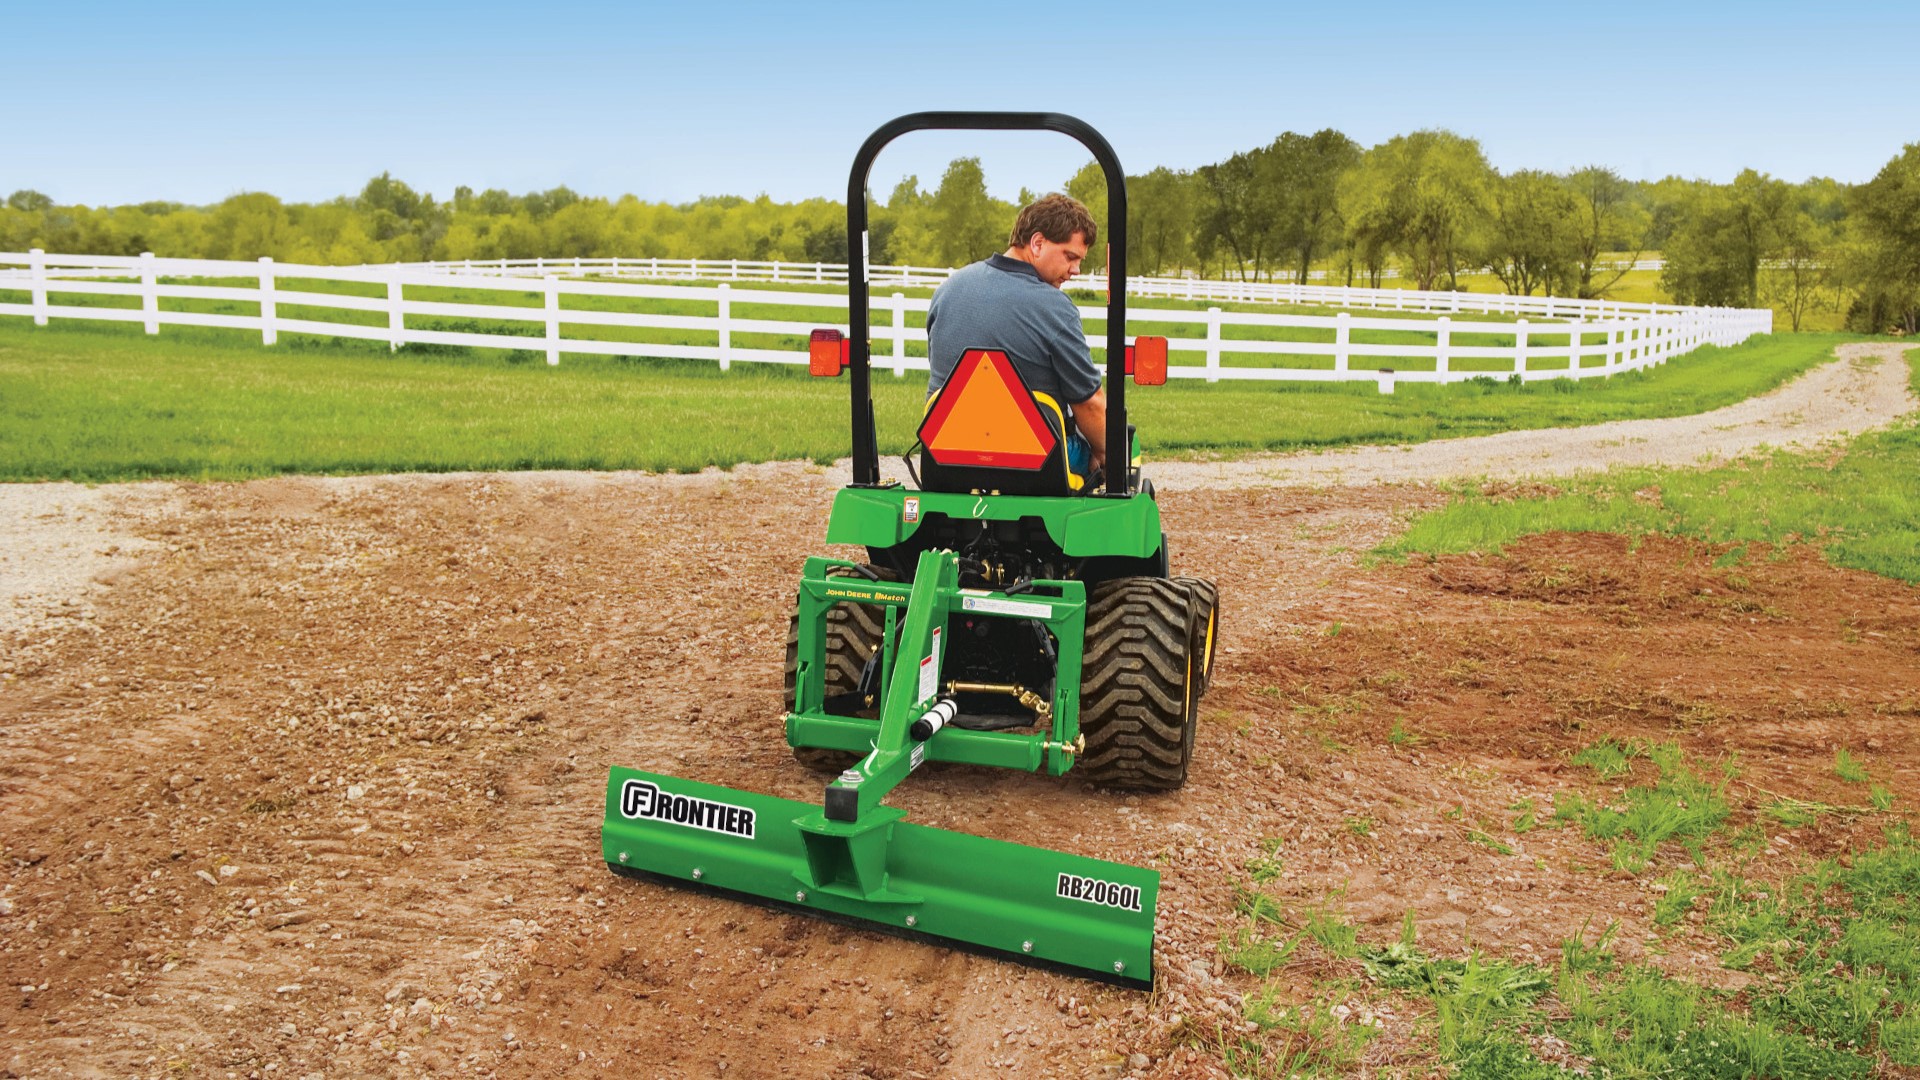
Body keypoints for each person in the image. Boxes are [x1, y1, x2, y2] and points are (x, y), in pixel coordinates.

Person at [924, 193, 1107, 481]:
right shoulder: (1055, 307)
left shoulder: (948, 289)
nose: (1076, 270)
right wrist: (1106, 453)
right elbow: (1090, 404)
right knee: (1116, 445)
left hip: (945, 452)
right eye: (1070, 257)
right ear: (1037, 243)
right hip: (1035, 460)